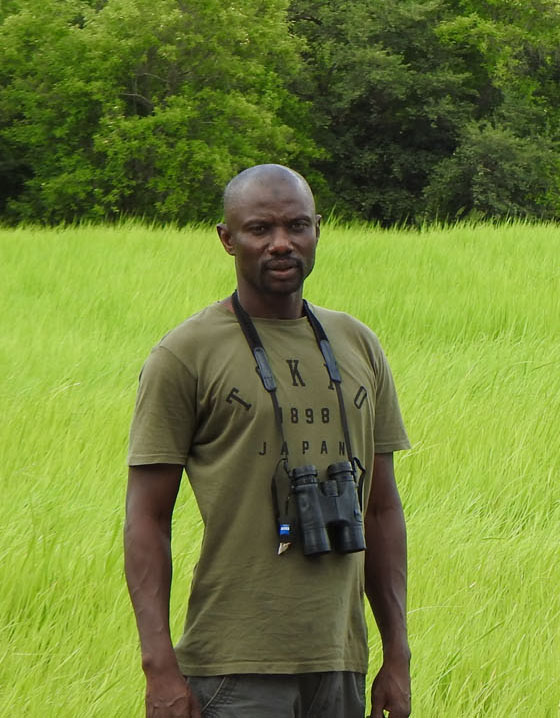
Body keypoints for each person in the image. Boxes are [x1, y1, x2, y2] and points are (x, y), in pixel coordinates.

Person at [124, 164, 412, 718]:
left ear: (318, 230)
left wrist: (396, 655)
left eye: (297, 226)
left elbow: (380, 509)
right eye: (260, 229)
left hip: (340, 661)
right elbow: (147, 517)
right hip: (233, 670)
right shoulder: (185, 354)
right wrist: (159, 667)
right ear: (227, 239)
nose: (281, 243)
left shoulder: (359, 345)